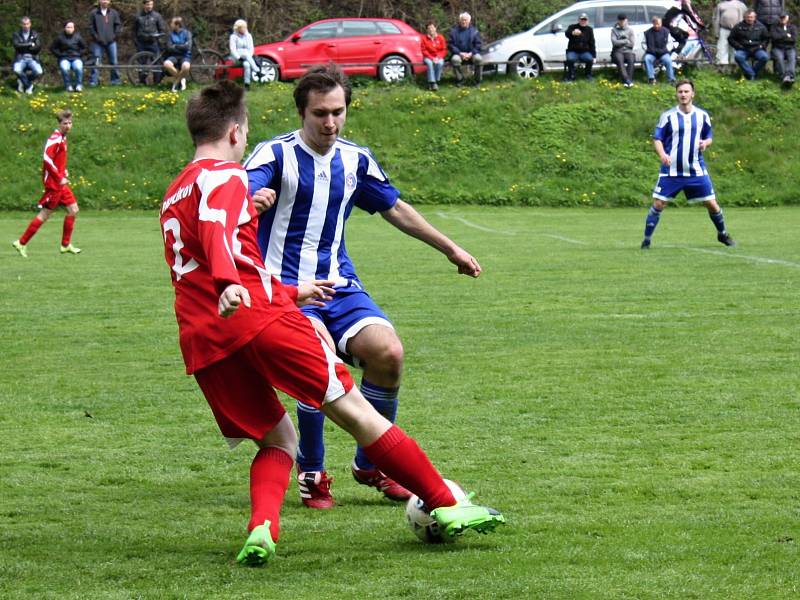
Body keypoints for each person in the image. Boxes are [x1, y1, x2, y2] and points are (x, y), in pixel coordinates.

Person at [159, 79, 505, 565]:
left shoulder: (175, 193)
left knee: (279, 439)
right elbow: (219, 236)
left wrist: (277, 288)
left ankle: (262, 529)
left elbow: (208, 253)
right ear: (237, 133)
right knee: (357, 412)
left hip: (205, 340)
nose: (331, 121)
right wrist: (229, 282)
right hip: (254, 313)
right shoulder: (231, 174)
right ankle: (447, 506)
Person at [243, 65, 483, 510]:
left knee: (388, 353)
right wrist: (251, 201)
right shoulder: (273, 155)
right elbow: (236, 193)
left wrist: (450, 248)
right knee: (316, 363)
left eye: (338, 112)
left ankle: (372, 464)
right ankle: (312, 473)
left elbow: (395, 208)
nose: (330, 122)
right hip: (285, 289)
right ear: (302, 112)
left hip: (339, 284)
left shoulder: (355, 159)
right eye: (320, 114)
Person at [641, 80, 735, 250]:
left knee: (712, 204)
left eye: (686, 91)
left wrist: (706, 143)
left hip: (695, 170)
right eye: (680, 92)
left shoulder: (702, 116)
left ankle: (722, 234)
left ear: (693, 94)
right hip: (672, 171)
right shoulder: (668, 116)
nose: (683, 94)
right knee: (658, 204)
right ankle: (646, 240)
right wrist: (663, 154)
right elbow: (657, 139)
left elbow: (709, 137)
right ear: (676, 94)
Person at [12, 110, 82, 258]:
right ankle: (21, 242)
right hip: (54, 184)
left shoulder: (63, 138)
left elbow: (57, 159)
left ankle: (65, 245)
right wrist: (58, 177)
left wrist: (64, 171)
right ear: (59, 124)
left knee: (73, 210)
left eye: (70, 123)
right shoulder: (55, 138)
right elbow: (47, 159)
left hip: (60, 182)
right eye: (65, 123)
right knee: (44, 215)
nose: (68, 126)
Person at [87, 0, 122, 86]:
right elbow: (90, 27)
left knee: (114, 62)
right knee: (96, 62)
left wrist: (114, 36)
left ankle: (115, 81)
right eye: (103, 0)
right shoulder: (94, 13)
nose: (105, 2)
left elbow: (118, 25)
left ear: (109, 2)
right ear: (99, 1)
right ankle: (94, 81)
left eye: (107, 0)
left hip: (111, 42)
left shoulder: (114, 13)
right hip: (97, 42)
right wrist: (96, 37)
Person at [729, 10, 770, 80]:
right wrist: (738, 46)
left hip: (757, 49)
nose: (749, 19)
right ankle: (751, 74)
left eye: (751, 17)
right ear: (744, 17)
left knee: (765, 57)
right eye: (748, 17)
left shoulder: (761, 27)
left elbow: (766, 39)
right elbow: (731, 38)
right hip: (743, 48)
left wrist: (762, 46)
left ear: (755, 17)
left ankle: (750, 73)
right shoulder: (738, 26)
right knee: (738, 56)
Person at [133, 0, 166, 83]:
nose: (150, 6)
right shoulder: (138, 16)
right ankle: (142, 81)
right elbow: (134, 31)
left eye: (151, 4)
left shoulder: (157, 16)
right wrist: (136, 42)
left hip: (154, 43)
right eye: (148, 4)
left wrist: (160, 41)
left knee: (156, 63)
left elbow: (162, 29)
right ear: (144, 5)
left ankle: (157, 82)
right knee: (142, 63)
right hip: (141, 43)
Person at [50, 21, 88, 92]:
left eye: (71, 27)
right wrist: (59, 55)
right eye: (68, 27)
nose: (69, 29)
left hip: (76, 58)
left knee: (78, 67)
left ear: (74, 28)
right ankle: (68, 85)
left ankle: (79, 85)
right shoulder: (60, 37)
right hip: (64, 58)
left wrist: (79, 54)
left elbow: (85, 48)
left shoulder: (78, 37)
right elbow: (52, 48)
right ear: (65, 28)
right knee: (64, 68)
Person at [448, 12, 483, 86]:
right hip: (459, 53)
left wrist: (471, 53)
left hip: (472, 53)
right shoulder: (454, 32)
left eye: (465, 20)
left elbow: (478, 45)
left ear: (469, 21)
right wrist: (460, 53)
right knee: (455, 59)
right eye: (462, 20)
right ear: (459, 20)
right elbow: (451, 45)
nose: (464, 21)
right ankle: (460, 80)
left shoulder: (475, 31)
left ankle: (477, 80)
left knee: (479, 59)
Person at [12, 16, 43, 95]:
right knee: (17, 70)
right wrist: (30, 44)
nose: (26, 26)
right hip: (20, 58)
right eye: (24, 24)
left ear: (30, 24)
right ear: (21, 25)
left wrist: (24, 46)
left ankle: (22, 81)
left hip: (32, 58)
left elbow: (38, 47)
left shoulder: (35, 34)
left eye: (27, 24)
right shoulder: (16, 34)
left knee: (39, 71)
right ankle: (29, 86)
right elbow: (16, 46)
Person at [713, 0, 748, 66]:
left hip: (737, 30)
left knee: (736, 48)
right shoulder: (720, 5)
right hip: (724, 29)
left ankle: (735, 66)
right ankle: (722, 66)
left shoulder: (741, 5)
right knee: (722, 47)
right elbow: (715, 19)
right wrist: (716, 32)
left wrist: (745, 31)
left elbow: (746, 17)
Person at [564, 13, 596, 82]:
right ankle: (571, 75)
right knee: (570, 59)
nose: (583, 21)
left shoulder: (589, 29)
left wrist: (594, 56)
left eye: (585, 20)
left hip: (584, 52)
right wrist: (573, 33)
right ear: (579, 20)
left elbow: (592, 43)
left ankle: (588, 74)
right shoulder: (572, 27)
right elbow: (567, 33)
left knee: (590, 59)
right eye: (582, 19)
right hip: (573, 51)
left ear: (587, 21)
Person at [644, 17, 676, 84]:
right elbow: (643, 43)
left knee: (668, 60)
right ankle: (651, 78)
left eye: (658, 24)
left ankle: (671, 79)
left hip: (663, 53)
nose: (657, 26)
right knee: (647, 59)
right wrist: (647, 49)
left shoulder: (666, 31)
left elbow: (670, 43)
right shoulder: (647, 32)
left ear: (661, 23)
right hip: (651, 53)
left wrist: (666, 50)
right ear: (653, 24)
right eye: (655, 24)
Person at [164, 17, 192, 92]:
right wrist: (182, 46)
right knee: (166, 64)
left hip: (185, 55)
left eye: (172, 23)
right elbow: (169, 48)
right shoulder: (170, 34)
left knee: (186, 67)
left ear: (177, 25)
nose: (170, 25)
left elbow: (188, 47)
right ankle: (181, 79)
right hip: (174, 56)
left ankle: (176, 83)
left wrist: (176, 46)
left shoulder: (187, 33)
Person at [229, 19, 258, 90]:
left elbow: (251, 49)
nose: (245, 29)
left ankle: (247, 84)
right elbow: (233, 49)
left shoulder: (249, 36)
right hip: (237, 58)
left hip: (247, 57)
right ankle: (256, 70)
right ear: (238, 28)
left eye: (245, 27)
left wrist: (248, 57)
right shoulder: (233, 36)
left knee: (247, 65)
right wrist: (239, 58)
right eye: (243, 27)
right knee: (244, 52)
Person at [770, 13, 796, 84]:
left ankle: (790, 76)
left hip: (790, 48)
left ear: (788, 18)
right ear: (779, 18)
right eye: (781, 18)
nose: (783, 19)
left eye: (784, 18)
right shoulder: (774, 27)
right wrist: (786, 35)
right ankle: (784, 76)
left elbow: (793, 39)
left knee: (792, 58)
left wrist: (781, 36)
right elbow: (774, 38)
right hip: (777, 48)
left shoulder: (792, 27)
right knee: (779, 58)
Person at [610, 14, 635, 87]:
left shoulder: (630, 30)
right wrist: (626, 41)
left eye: (623, 20)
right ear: (618, 21)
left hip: (628, 51)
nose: (622, 22)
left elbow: (632, 44)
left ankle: (628, 81)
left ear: (626, 20)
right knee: (620, 61)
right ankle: (627, 80)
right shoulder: (614, 30)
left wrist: (620, 41)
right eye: (620, 20)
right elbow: (614, 43)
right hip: (617, 51)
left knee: (631, 60)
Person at [421, 21, 447, 91]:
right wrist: (432, 58)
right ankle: (432, 82)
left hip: (439, 56)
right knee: (429, 63)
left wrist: (438, 57)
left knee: (440, 63)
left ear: (435, 28)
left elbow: (444, 49)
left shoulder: (440, 37)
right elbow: (423, 50)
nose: (431, 29)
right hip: (428, 57)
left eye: (432, 27)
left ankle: (435, 81)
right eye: (429, 28)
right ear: (427, 30)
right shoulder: (424, 38)